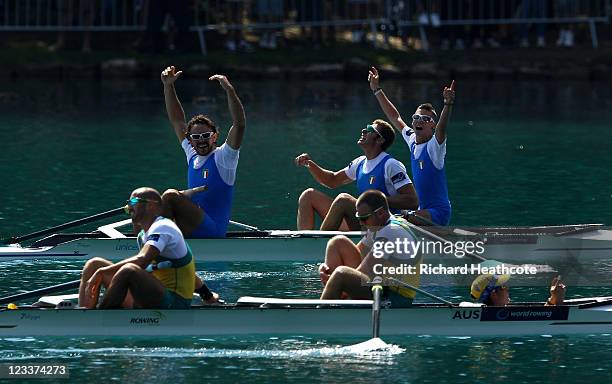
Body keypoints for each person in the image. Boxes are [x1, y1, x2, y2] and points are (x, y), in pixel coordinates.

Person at [160, 66, 246, 239]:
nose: (201, 140)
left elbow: (239, 124)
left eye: (206, 135)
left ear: (215, 137)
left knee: (169, 196)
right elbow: (177, 121)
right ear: (190, 140)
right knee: (140, 200)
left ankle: (160, 245)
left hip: (212, 230)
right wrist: (168, 86)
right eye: (196, 137)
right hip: (195, 225)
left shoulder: (224, 158)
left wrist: (229, 90)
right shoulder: (191, 155)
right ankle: (152, 240)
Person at [78, 187, 195, 309]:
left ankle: (101, 316)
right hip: (151, 294)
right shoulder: (143, 235)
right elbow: (187, 270)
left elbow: (142, 259)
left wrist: (102, 272)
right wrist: (205, 293)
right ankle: (83, 313)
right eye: (128, 203)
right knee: (94, 264)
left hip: (174, 302)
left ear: (151, 206)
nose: (128, 207)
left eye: (133, 202)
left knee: (129, 270)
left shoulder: (163, 227)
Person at [296, 119, 418, 231]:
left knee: (343, 200)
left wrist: (375, 201)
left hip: (382, 226)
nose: (364, 131)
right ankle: (303, 244)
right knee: (308, 195)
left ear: (380, 140)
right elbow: (332, 181)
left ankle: (318, 246)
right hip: (363, 220)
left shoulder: (391, 165)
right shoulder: (360, 162)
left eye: (370, 130)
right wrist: (310, 164)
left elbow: (412, 201)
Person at [368, 66, 454, 226]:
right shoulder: (412, 140)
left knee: (395, 220)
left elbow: (442, 130)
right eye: (416, 117)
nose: (419, 121)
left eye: (426, 119)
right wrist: (377, 90)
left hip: (438, 213)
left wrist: (447, 104)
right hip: (421, 210)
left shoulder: (434, 148)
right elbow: (395, 117)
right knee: (389, 215)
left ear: (432, 126)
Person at [320, 190, 423, 306]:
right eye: (359, 218)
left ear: (381, 213)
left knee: (340, 274)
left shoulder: (390, 231)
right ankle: (334, 301)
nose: (361, 223)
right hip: (380, 284)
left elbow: (365, 270)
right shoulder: (378, 224)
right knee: (337, 242)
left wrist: (336, 282)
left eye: (364, 218)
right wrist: (326, 269)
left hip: (395, 296)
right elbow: (357, 252)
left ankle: (320, 316)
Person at [470, 274, 566, 306]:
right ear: (494, 295)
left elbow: (542, 315)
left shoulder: (502, 314)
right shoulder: (505, 316)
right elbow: (553, 319)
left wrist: (553, 297)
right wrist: (559, 299)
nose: (508, 290)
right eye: (504, 287)